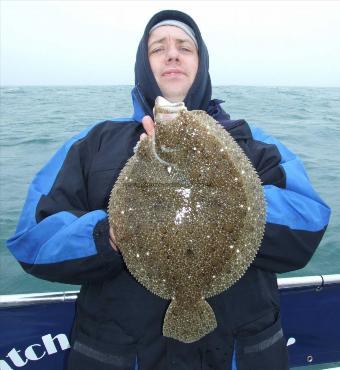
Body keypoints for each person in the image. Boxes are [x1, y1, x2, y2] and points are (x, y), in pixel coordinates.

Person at [7, 9, 331, 370]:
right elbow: (31, 240)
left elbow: (309, 224)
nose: (172, 54)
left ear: (201, 63)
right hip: (121, 354)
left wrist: (226, 195)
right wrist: (110, 233)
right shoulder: (93, 143)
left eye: (185, 47)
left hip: (239, 353)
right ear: (144, 65)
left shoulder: (252, 143)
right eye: (158, 48)